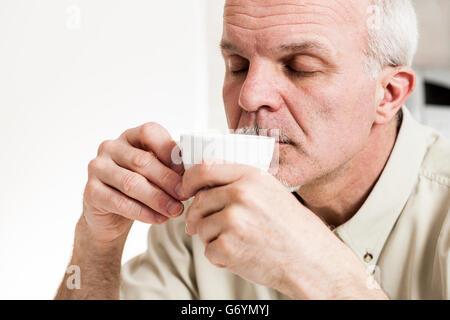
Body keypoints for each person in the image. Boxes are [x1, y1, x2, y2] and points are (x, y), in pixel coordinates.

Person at [55, 0, 450, 300]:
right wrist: (96, 243)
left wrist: (321, 270)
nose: (249, 95)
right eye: (238, 64)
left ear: (389, 94)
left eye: (300, 66)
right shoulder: (200, 210)